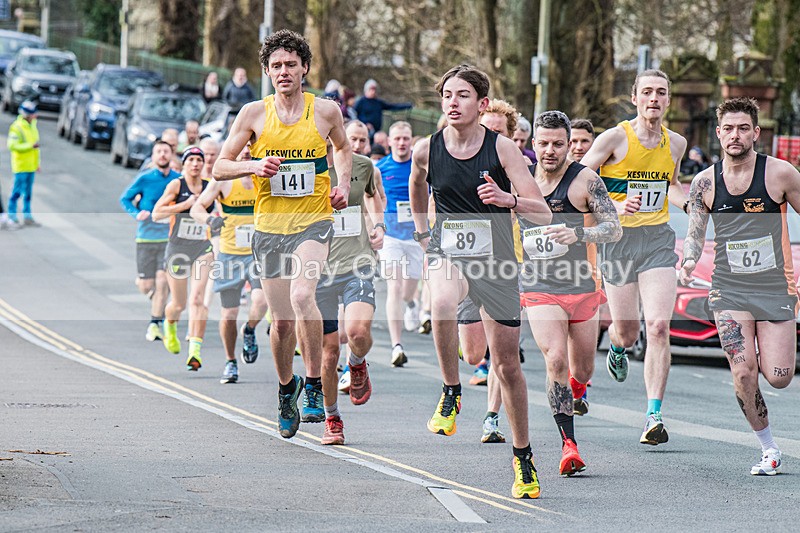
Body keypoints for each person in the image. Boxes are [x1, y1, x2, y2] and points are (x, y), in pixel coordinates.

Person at [409, 64, 551, 499]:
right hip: (449, 253)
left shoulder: (502, 148)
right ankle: (451, 390)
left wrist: (508, 199)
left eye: (463, 95)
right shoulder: (426, 149)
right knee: (440, 303)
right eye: (447, 95)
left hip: (497, 264)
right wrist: (422, 231)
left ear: (482, 103)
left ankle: (523, 455)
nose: (453, 102)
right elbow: (416, 184)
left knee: (507, 367)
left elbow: (543, 211)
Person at [212, 29, 351, 440]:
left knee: (303, 295)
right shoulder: (254, 114)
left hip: (314, 221)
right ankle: (287, 388)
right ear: (267, 72)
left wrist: (343, 183)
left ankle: (314, 385)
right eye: (276, 66)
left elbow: (343, 148)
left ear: (305, 67)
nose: (284, 71)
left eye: (291, 64)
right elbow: (220, 166)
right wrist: (252, 166)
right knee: (282, 323)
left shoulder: (325, 111)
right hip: (270, 228)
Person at [679, 97, 800, 475]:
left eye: (743, 128)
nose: (735, 135)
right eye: (729, 128)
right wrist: (687, 262)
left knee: (778, 377)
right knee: (743, 372)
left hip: (774, 287)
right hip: (728, 288)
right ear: (718, 134)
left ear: (756, 133)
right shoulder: (704, 182)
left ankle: (766, 347)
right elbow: (695, 235)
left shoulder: (780, 174)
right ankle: (768, 448)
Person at [580, 69, 688, 445]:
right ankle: (616, 344)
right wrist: (616, 205)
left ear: (668, 100)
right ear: (634, 97)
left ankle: (653, 415)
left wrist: (689, 203)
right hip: (619, 241)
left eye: (661, 92)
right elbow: (580, 181)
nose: (653, 98)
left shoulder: (676, 143)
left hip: (657, 240)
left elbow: (671, 185)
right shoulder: (614, 138)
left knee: (657, 326)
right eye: (647, 92)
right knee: (627, 331)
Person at [521, 110, 621, 476]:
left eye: (558, 144)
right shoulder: (520, 180)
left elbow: (613, 228)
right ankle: (569, 445)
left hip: (581, 286)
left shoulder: (585, 181)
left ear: (568, 146)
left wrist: (577, 233)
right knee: (555, 360)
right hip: (539, 286)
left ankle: (576, 389)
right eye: (544, 144)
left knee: (582, 369)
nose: (550, 151)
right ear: (534, 144)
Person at [316, 129, 385, 444]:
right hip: (318, 270)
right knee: (329, 353)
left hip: (358, 261)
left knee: (357, 332)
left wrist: (378, 225)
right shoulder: (307, 167)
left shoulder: (362, 165)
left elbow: (372, 195)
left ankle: (357, 363)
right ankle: (332, 418)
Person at [190, 144, 267, 384]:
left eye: (251, 146)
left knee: (261, 301)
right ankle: (230, 361)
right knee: (229, 313)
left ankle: (250, 329)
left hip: (260, 253)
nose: (246, 151)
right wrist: (209, 220)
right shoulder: (223, 180)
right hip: (230, 254)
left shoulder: (265, 176)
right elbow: (196, 208)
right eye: (242, 146)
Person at [152, 146, 214, 371]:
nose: (195, 164)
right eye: (191, 160)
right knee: (179, 304)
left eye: (199, 160)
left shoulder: (209, 186)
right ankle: (169, 324)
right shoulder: (176, 185)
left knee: (197, 299)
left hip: (202, 248)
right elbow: (156, 213)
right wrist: (185, 206)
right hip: (178, 249)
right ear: (184, 164)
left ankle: (194, 352)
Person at [119, 140, 181, 342]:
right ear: (153, 157)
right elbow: (125, 199)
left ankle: (155, 323)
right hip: (146, 237)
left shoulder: (178, 180)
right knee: (146, 285)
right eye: (158, 152)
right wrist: (136, 213)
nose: (162, 155)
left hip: (169, 239)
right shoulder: (144, 178)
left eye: (166, 151)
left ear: (171, 155)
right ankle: (159, 306)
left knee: (162, 280)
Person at [376, 121, 423, 366]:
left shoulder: (420, 165)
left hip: (415, 236)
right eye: (397, 138)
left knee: (407, 291)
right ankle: (397, 346)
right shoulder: (381, 168)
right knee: (393, 286)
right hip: (391, 235)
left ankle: (412, 303)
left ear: (411, 140)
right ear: (389, 142)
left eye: (406, 138)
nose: (402, 143)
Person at [6, 100, 40, 227]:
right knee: (17, 192)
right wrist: (29, 146)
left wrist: (37, 164)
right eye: (32, 114)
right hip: (20, 166)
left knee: (28, 194)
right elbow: (12, 145)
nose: (35, 115)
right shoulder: (17, 127)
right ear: (26, 115)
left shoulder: (33, 125)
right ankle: (12, 216)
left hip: (31, 166)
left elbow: (36, 148)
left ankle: (27, 217)